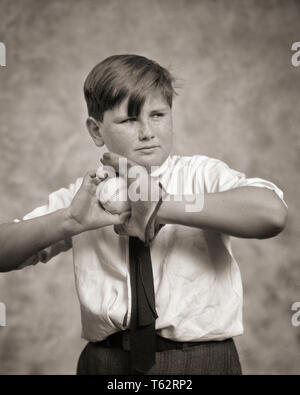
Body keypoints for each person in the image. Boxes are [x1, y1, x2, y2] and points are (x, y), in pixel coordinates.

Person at [0, 54, 288, 375]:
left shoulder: (201, 175)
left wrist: (156, 205)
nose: (148, 132)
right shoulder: (86, 196)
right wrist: (68, 221)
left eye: (158, 115)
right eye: (129, 120)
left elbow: (271, 214)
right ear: (97, 131)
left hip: (202, 361)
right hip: (106, 362)